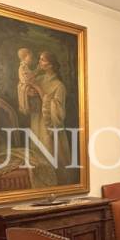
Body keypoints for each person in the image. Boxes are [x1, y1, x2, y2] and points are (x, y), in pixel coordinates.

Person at [28, 51, 72, 184]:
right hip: (36, 121)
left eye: (43, 60)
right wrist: (28, 92)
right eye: (39, 59)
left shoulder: (59, 86)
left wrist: (39, 90)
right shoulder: (39, 79)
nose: (39, 62)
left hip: (50, 126)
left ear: (51, 65)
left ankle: (54, 183)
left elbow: (58, 112)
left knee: (49, 152)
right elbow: (26, 88)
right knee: (37, 153)